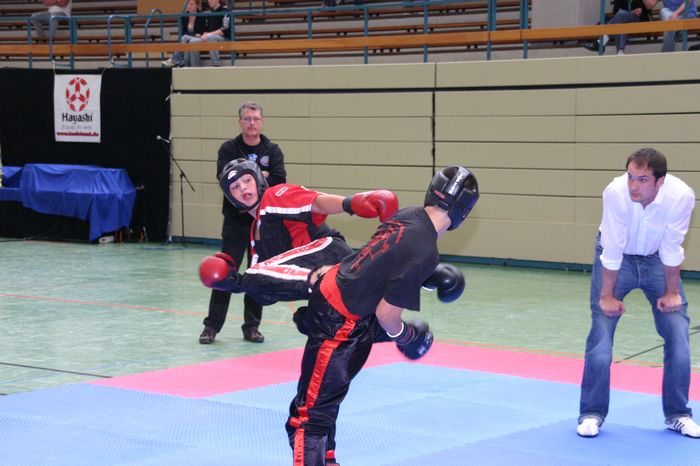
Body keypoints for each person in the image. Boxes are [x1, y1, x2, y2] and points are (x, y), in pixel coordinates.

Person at [284, 166, 479, 466]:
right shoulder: (425, 249)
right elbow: (387, 315)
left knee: (325, 400)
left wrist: (423, 276)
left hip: (342, 300)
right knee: (308, 418)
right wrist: (406, 336)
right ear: (463, 212)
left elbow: (382, 260)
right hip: (340, 322)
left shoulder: (409, 215)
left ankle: (328, 460)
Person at [577, 147, 699, 439]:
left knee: (677, 331)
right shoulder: (615, 193)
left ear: (660, 181)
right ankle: (592, 413)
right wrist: (607, 296)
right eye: (631, 177)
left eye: (642, 179)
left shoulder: (681, 196)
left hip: (657, 259)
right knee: (601, 332)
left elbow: (672, 246)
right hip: (617, 259)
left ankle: (678, 414)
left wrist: (672, 292)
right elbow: (613, 247)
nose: (633, 185)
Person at [200, 101, 286, 345]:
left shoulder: (272, 150)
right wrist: (259, 174)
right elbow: (224, 178)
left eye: (256, 118)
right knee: (223, 271)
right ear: (240, 122)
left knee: (256, 273)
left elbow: (279, 179)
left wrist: (247, 174)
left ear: (262, 122)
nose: (252, 123)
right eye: (247, 118)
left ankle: (252, 327)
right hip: (235, 222)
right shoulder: (228, 148)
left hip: (261, 223)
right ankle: (211, 326)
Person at [584, 0, 653, 55]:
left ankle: (602, 41)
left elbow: (648, 7)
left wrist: (641, 11)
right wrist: (630, 12)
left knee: (621, 16)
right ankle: (620, 52)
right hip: (624, 21)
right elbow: (615, 10)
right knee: (621, 19)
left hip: (639, 19)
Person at [162, 0, 206, 67]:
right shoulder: (184, 16)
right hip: (188, 39)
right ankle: (183, 64)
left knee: (185, 38)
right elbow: (182, 32)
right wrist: (193, 35)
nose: (189, 6)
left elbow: (202, 31)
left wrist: (195, 35)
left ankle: (173, 59)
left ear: (197, 6)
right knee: (185, 39)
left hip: (198, 38)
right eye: (188, 4)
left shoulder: (201, 16)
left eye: (191, 4)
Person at [187, 0, 230, 67]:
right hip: (210, 38)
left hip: (225, 38)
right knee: (193, 41)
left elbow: (224, 30)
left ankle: (216, 64)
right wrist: (203, 35)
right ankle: (195, 67)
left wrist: (208, 34)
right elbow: (207, 30)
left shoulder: (226, 12)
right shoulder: (210, 13)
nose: (209, 1)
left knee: (210, 37)